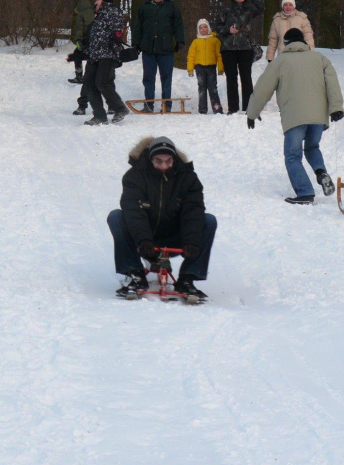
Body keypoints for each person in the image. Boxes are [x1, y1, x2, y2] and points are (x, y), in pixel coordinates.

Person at [107, 136, 217, 300]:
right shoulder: (135, 176)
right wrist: (144, 240)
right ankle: (136, 274)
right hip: (144, 240)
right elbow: (134, 211)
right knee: (116, 216)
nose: (164, 166)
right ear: (150, 159)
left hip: (175, 237)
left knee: (208, 220)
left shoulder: (188, 178)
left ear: (174, 159)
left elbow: (193, 211)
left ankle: (188, 278)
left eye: (168, 161)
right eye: (158, 161)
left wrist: (192, 242)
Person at [246, 28, 344, 205]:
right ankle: (321, 172)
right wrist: (336, 108)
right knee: (312, 148)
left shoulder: (280, 62)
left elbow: (262, 89)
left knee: (293, 156)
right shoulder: (320, 59)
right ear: (304, 42)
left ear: (286, 43)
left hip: (294, 117)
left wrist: (252, 113)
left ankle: (305, 192)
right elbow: (333, 83)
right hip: (318, 117)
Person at [132, 0, 184, 113]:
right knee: (148, 78)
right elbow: (138, 26)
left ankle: (167, 104)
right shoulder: (144, 7)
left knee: (166, 78)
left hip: (166, 49)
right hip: (148, 48)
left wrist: (179, 40)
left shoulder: (171, 6)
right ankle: (149, 104)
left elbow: (178, 24)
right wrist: (136, 43)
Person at [82, 0, 128, 126]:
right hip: (94, 55)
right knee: (89, 83)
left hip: (107, 54)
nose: (94, 2)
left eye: (96, 0)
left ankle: (120, 108)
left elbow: (117, 31)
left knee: (102, 82)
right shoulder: (97, 15)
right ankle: (99, 116)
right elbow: (92, 35)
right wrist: (85, 46)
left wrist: (116, 39)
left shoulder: (112, 11)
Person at [216, 0, 264, 115]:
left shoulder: (249, 10)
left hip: (245, 48)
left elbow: (261, 7)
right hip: (228, 49)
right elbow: (217, 27)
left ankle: (249, 107)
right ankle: (233, 108)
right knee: (231, 79)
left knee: (246, 78)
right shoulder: (226, 11)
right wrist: (228, 30)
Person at [187, 18, 224, 115]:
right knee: (202, 88)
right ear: (198, 30)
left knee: (213, 88)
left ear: (209, 28)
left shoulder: (215, 40)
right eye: (201, 28)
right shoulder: (195, 42)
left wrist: (220, 68)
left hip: (211, 67)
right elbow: (191, 56)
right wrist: (190, 69)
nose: (203, 29)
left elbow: (219, 55)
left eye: (205, 27)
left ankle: (217, 108)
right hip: (199, 68)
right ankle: (202, 109)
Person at [69, 0, 95, 85]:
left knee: (77, 54)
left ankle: (79, 77)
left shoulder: (81, 13)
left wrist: (78, 40)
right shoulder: (94, 10)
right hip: (97, 38)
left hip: (88, 38)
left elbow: (79, 28)